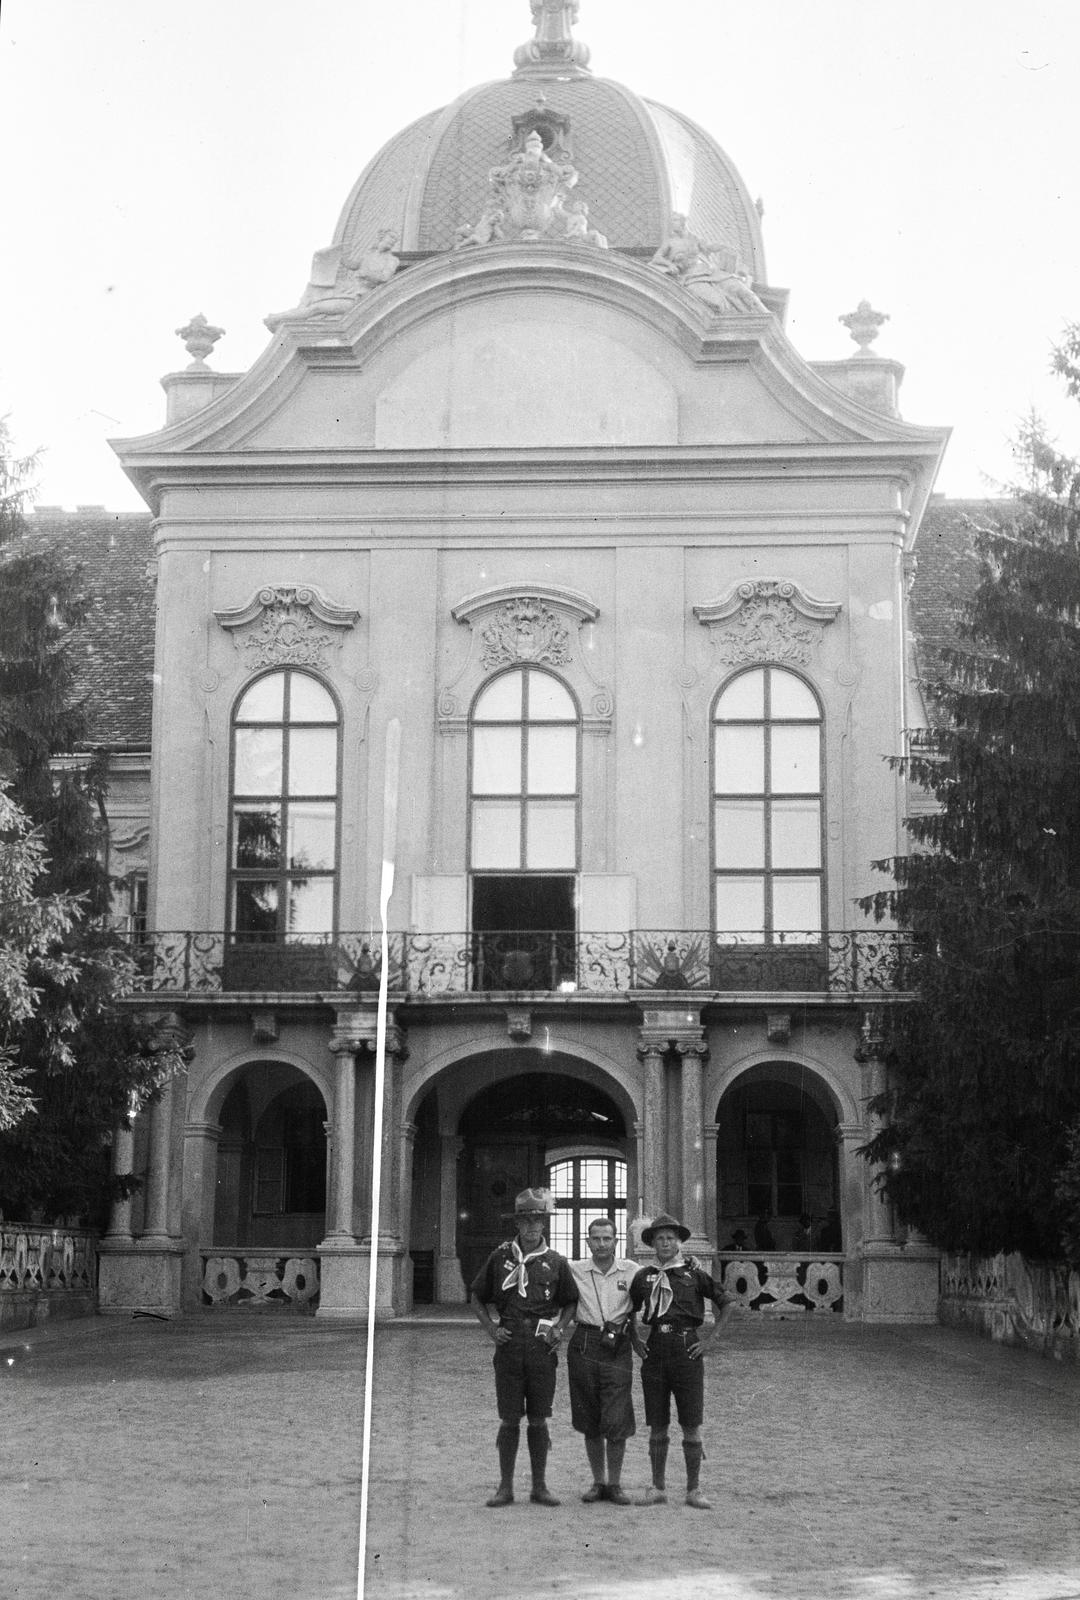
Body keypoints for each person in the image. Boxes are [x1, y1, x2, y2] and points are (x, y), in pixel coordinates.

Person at [470, 1187, 578, 1508]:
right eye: (526, 1220)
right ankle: (505, 1487)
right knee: (509, 1418)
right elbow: (476, 1296)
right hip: (509, 1344)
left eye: (538, 1220)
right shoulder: (500, 1257)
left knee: (539, 1419)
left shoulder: (556, 1262)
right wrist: (492, 1329)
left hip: (541, 1348)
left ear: (545, 1224)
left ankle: (540, 1486)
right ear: (517, 1224)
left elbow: (571, 1302)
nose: (532, 1227)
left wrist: (559, 1327)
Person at [629, 1212, 736, 1510]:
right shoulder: (643, 1276)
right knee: (657, 1423)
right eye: (660, 1238)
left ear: (679, 1243)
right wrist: (635, 1339)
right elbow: (627, 1309)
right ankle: (657, 1487)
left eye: (670, 1238)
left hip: (687, 1349)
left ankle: (694, 1489)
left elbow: (727, 1303)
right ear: (653, 1243)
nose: (665, 1242)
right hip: (655, 1350)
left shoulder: (694, 1274)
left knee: (691, 1422)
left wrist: (710, 1340)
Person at [567, 1218, 637, 1505]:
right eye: (595, 1239)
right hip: (585, 1342)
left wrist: (691, 1261)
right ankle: (598, 1482)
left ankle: (616, 1484)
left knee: (617, 1414)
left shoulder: (632, 1271)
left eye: (607, 1238)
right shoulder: (574, 1270)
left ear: (616, 1241)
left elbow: (662, 1272)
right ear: (588, 1242)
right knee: (589, 1414)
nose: (601, 1244)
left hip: (617, 1345)